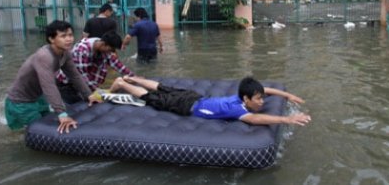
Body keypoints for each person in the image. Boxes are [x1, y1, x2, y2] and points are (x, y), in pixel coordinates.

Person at [4, 20, 98, 133]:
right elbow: (48, 85)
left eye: (70, 35)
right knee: (29, 134)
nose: (69, 39)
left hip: (39, 97)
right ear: (51, 39)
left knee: (48, 127)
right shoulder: (44, 56)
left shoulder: (65, 53)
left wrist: (88, 95)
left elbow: (75, 76)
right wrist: (62, 113)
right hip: (20, 102)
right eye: (63, 36)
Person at [108, 76, 311, 126]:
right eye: (258, 99)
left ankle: (132, 77)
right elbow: (257, 120)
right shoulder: (238, 111)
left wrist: (288, 96)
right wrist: (287, 120)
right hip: (186, 105)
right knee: (150, 96)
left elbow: (265, 89)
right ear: (247, 98)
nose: (261, 101)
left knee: (162, 87)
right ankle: (123, 83)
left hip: (195, 97)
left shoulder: (242, 95)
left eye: (261, 99)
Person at [56, 31, 134, 103]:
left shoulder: (102, 48)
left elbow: (116, 64)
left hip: (83, 84)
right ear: (104, 44)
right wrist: (98, 91)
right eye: (110, 50)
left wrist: (133, 76)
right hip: (67, 84)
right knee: (77, 107)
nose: (110, 52)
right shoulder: (82, 50)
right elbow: (82, 76)